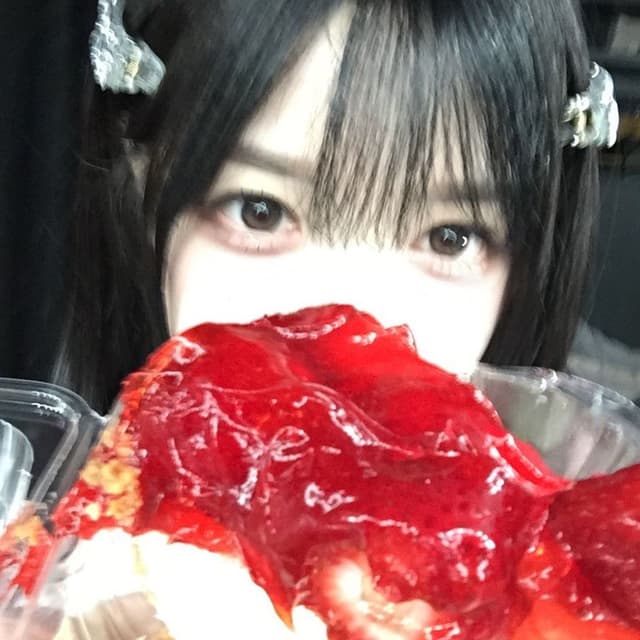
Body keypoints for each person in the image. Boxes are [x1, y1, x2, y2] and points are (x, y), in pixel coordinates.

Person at [52, 0, 619, 414]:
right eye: (260, 210)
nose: (346, 333)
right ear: (140, 183)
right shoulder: (39, 498)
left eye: (449, 237)